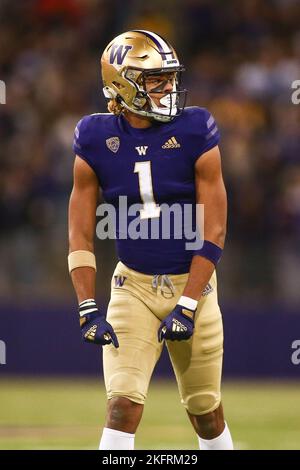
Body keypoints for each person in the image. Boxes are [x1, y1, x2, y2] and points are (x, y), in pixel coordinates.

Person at [68, 30, 233, 450]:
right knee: (122, 405)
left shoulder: (196, 128)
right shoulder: (93, 136)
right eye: (155, 80)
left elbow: (214, 229)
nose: (168, 87)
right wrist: (87, 305)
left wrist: (189, 303)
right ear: (123, 84)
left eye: (170, 78)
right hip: (133, 287)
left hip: (192, 284)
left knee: (206, 414)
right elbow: (80, 231)